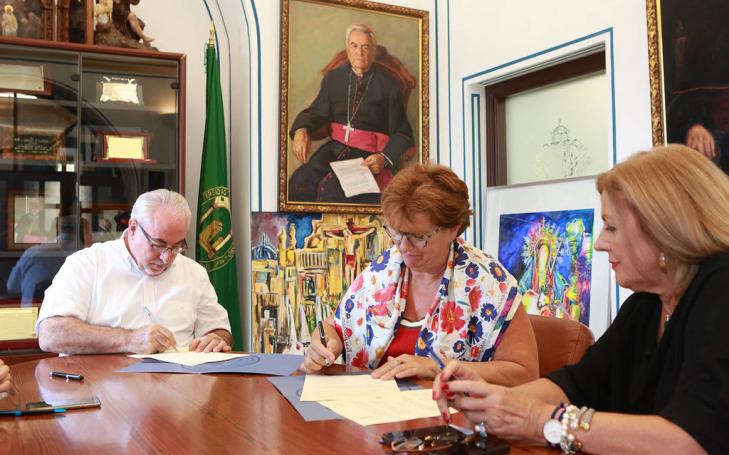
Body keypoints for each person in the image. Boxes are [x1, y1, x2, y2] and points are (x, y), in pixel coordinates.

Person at [433, 145, 729, 454]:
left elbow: (693, 439)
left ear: (663, 230)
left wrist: (537, 419)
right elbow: (577, 385)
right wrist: (488, 399)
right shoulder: (648, 304)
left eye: (611, 227)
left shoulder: (721, 290)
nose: (599, 243)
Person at [301, 163, 538, 385]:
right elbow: (335, 327)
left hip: (449, 412)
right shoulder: (383, 269)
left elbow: (525, 373)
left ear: (453, 228)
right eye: (396, 232)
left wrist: (439, 367)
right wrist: (324, 344)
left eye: (419, 236)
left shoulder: (491, 285)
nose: (404, 247)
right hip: (373, 407)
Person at [36, 189, 232, 355]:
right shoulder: (87, 264)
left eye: (176, 247)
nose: (166, 258)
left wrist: (215, 339)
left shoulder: (194, 273)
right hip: (102, 383)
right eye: (158, 244)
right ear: (133, 228)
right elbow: (50, 334)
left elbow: (219, 329)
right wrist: (129, 340)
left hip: (179, 383)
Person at [287, 23, 414, 204]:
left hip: (368, 157)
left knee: (332, 191)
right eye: (354, 46)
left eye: (365, 47)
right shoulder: (334, 78)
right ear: (347, 49)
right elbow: (317, 111)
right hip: (333, 149)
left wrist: (384, 158)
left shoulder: (389, 86)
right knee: (299, 183)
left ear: (373, 51)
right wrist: (301, 129)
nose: (359, 52)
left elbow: (403, 134)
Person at [7, 216, 78, 307]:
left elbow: (12, 287)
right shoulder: (83, 256)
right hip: (67, 313)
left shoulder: (32, 252)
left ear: (53, 231)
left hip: (30, 312)